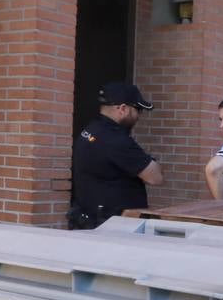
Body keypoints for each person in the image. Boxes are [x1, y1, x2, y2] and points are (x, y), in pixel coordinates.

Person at [69, 82, 162, 229]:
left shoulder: (92, 129)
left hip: (90, 217)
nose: (139, 116)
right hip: (112, 226)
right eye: (138, 110)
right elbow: (155, 177)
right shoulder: (115, 139)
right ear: (123, 109)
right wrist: (150, 159)